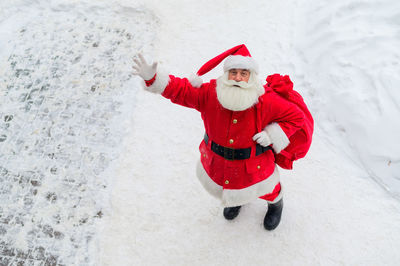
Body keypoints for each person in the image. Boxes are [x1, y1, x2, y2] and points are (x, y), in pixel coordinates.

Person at [132, 44, 305, 230]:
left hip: (254, 163)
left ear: (251, 76)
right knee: (230, 186)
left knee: (267, 190)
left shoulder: (265, 99)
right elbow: (181, 90)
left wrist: (272, 134)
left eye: (244, 73)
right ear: (226, 74)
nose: (238, 77)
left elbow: (296, 117)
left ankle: (276, 205)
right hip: (218, 161)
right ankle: (235, 201)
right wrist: (154, 79)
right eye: (234, 72)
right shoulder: (209, 93)